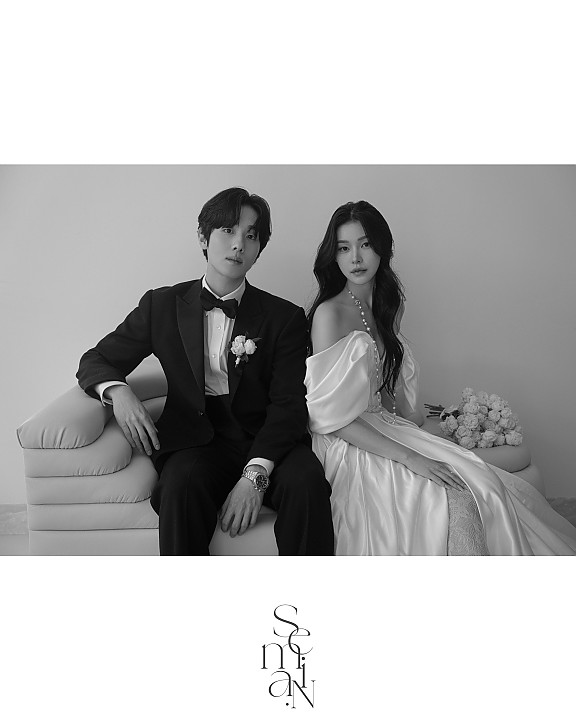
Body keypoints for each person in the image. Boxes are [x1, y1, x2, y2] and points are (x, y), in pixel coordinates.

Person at [305, 200, 576, 555]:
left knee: (482, 484)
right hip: (347, 440)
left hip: (385, 427)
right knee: (443, 498)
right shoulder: (329, 314)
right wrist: (410, 457)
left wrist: (416, 428)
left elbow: (384, 393)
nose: (355, 258)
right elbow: (330, 418)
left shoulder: (390, 306)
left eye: (365, 244)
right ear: (334, 255)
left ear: (382, 247)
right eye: (343, 248)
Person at [77, 187, 334, 555]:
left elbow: (289, 403)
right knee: (180, 487)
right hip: (197, 440)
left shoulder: (285, 318)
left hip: (267, 436)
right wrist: (119, 393)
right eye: (228, 231)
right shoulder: (161, 305)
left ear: (259, 248)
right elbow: (96, 359)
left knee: (307, 483)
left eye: (251, 236)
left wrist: (255, 475)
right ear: (203, 237)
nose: (239, 244)